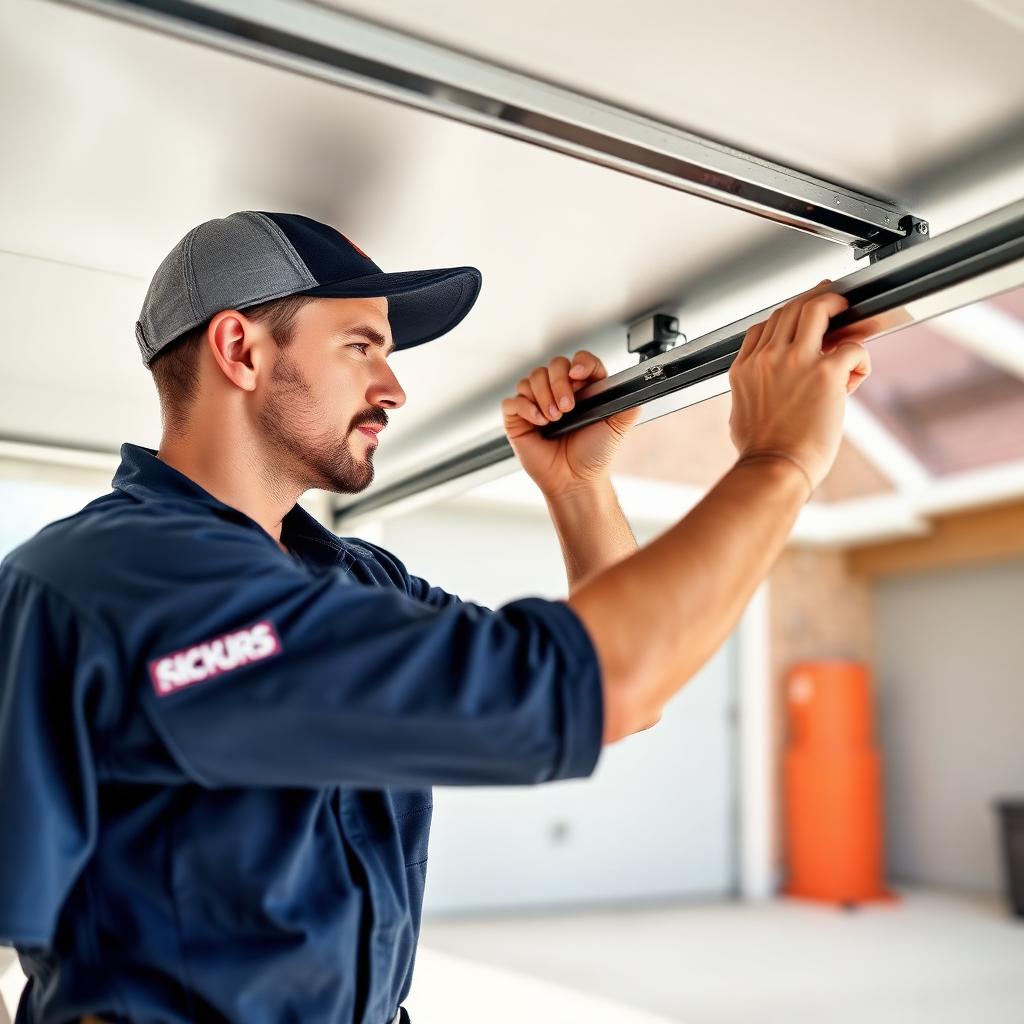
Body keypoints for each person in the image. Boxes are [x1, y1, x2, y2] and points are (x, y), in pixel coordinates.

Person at [0, 211, 871, 1024]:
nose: (393, 387)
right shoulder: (110, 580)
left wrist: (577, 490)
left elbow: (617, 688)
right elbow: (604, 680)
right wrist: (782, 457)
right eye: (361, 346)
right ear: (240, 349)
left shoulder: (347, 578)